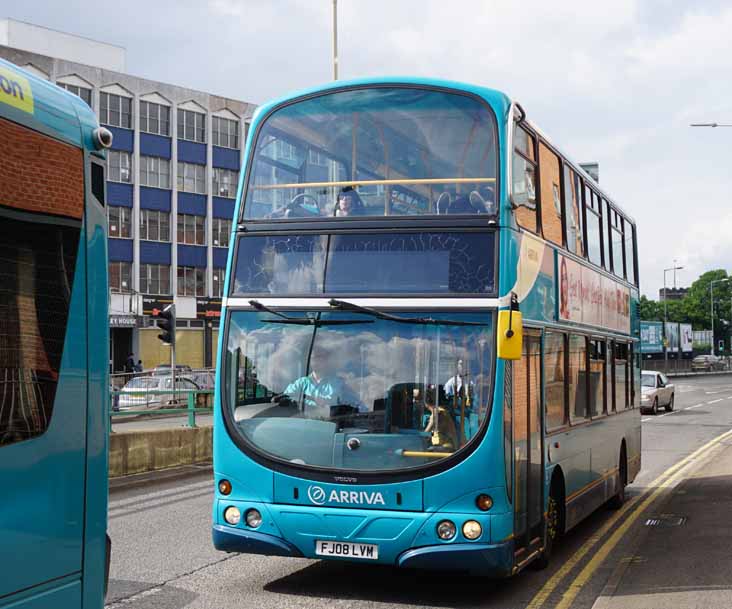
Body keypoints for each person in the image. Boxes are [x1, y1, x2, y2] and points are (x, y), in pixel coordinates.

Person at [282, 347, 363, 412]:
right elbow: (286, 397)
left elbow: (328, 403)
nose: (316, 361)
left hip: (328, 424)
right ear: (310, 360)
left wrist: (303, 400)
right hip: (302, 423)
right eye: (314, 358)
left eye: (320, 358)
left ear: (326, 361)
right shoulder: (302, 382)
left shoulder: (337, 382)